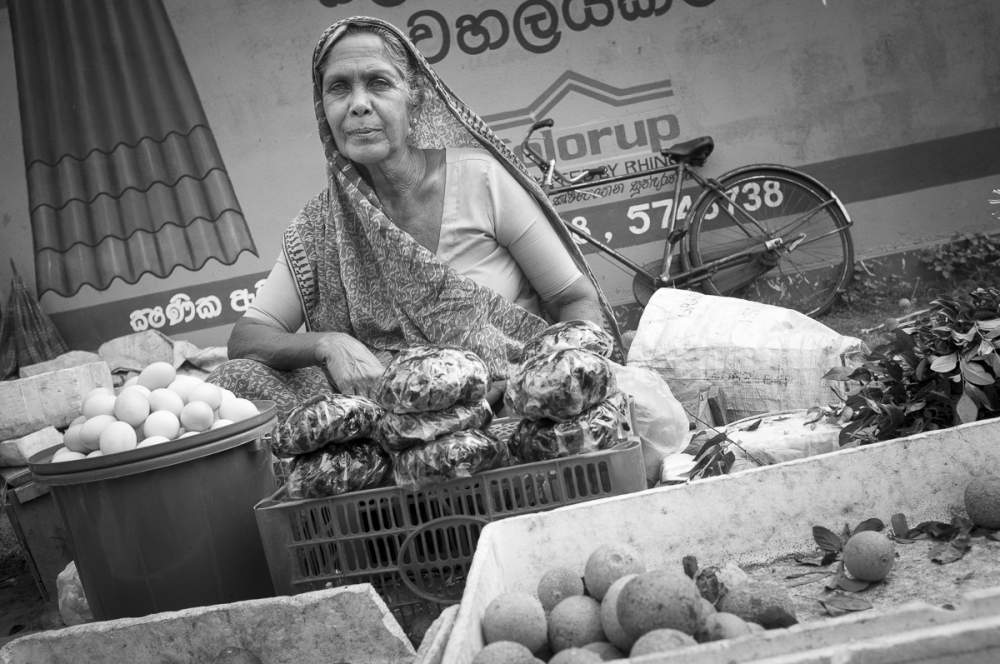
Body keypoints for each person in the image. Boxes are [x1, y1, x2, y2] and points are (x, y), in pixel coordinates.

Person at [209, 16, 622, 416]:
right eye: (339, 88)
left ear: (415, 97)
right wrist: (330, 344)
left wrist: (557, 389)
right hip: (393, 422)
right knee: (235, 380)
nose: (358, 105)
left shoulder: (480, 180)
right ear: (323, 108)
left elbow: (575, 300)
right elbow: (248, 338)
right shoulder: (319, 227)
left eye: (378, 83)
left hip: (511, 404)